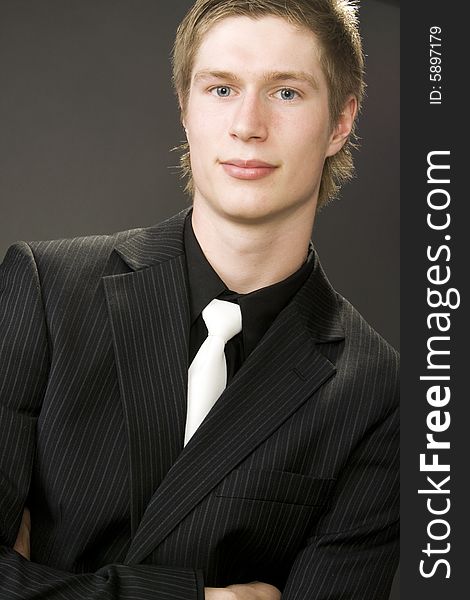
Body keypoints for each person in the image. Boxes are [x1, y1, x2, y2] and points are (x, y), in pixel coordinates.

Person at [0, 1, 399, 599]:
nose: (247, 124)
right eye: (221, 89)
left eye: (286, 92)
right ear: (185, 108)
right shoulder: (44, 290)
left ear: (340, 123)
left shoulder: (377, 392)